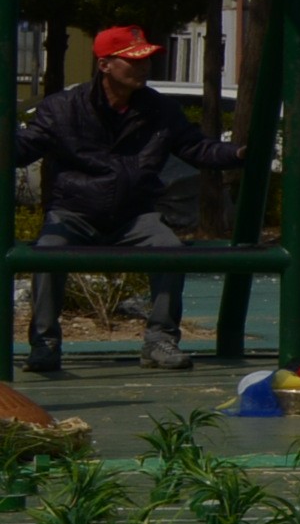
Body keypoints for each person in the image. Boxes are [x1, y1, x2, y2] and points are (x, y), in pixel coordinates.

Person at [16, 26, 234, 371]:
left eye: (147, 59)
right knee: (48, 253)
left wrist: (239, 153)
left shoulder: (160, 110)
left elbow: (198, 148)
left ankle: (160, 339)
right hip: (75, 212)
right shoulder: (62, 108)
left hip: (134, 215)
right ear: (104, 65)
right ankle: (45, 343)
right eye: (133, 60)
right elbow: (25, 148)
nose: (144, 67)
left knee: (170, 251)